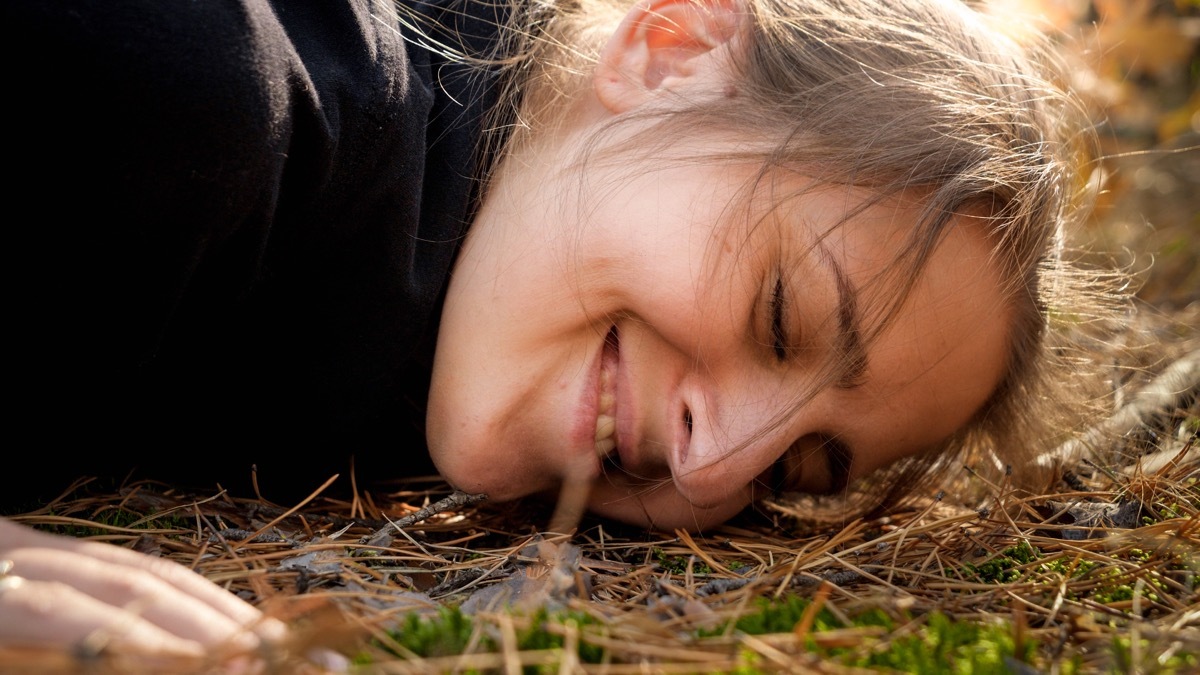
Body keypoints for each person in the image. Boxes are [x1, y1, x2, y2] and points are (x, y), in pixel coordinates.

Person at [1, 0, 1102, 665]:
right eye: (781, 317)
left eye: (797, 473)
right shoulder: (194, 89)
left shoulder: (467, 281)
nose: (712, 467)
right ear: (665, 53)